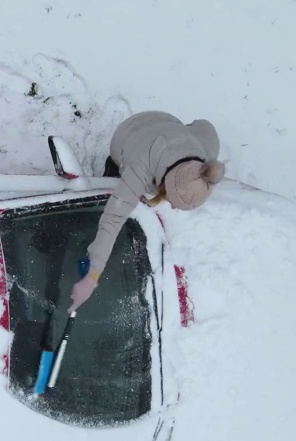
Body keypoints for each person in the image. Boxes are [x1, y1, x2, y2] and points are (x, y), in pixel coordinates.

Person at [69, 111, 225, 311]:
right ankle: (113, 170)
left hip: (164, 122)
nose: (174, 206)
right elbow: (113, 219)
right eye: (171, 199)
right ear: (166, 185)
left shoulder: (205, 152)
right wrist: (91, 278)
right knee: (118, 194)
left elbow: (205, 125)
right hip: (127, 134)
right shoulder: (139, 169)